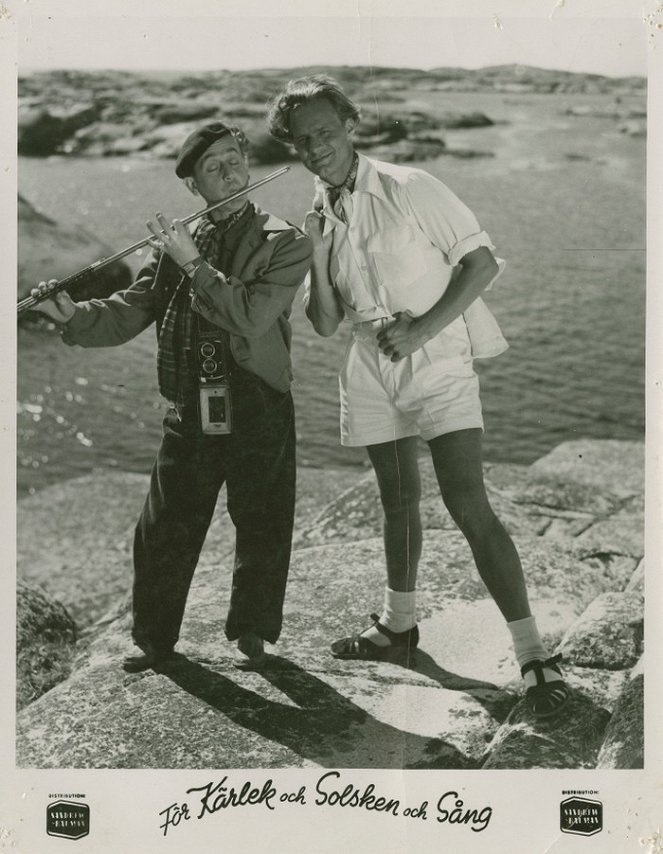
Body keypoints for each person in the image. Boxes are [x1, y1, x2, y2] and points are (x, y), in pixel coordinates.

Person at [267, 76, 570, 718]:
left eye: (325, 132)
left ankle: (533, 654)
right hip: (370, 367)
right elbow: (323, 322)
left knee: (467, 503)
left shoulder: (410, 186)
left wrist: (422, 329)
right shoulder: (319, 213)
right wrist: (317, 253)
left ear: (351, 126)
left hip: (436, 359)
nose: (315, 148)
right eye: (301, 141)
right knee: (398, 502)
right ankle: (398, 627)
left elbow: (481, 263)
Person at [31, 121, 312, 672]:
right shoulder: (176, 245)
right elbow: (127, 312)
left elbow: (251, 317)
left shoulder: (287, 241)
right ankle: (155, 642)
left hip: (258, 405)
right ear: (194, 187)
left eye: (234, 159)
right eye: (213, 168)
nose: (229, 172)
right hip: (190, 407)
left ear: (248, 164)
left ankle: (253, 635)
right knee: (162, 529)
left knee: (261, 522)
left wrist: (191, 261)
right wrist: (69, 316)